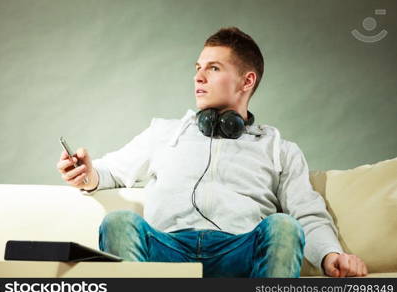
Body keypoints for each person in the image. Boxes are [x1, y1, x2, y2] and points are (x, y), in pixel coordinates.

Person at [56, 27, 368, 278]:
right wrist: (87, 173)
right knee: (119, 222)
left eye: (213, 68)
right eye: (198, 68)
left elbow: (306, 213)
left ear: (247, 81)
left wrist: (331, 255)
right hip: (169, 249)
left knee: (285, 226)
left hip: (239, 252)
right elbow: (111, 171)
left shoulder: (280, 149)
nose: (198, 77)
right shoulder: (164, 132)